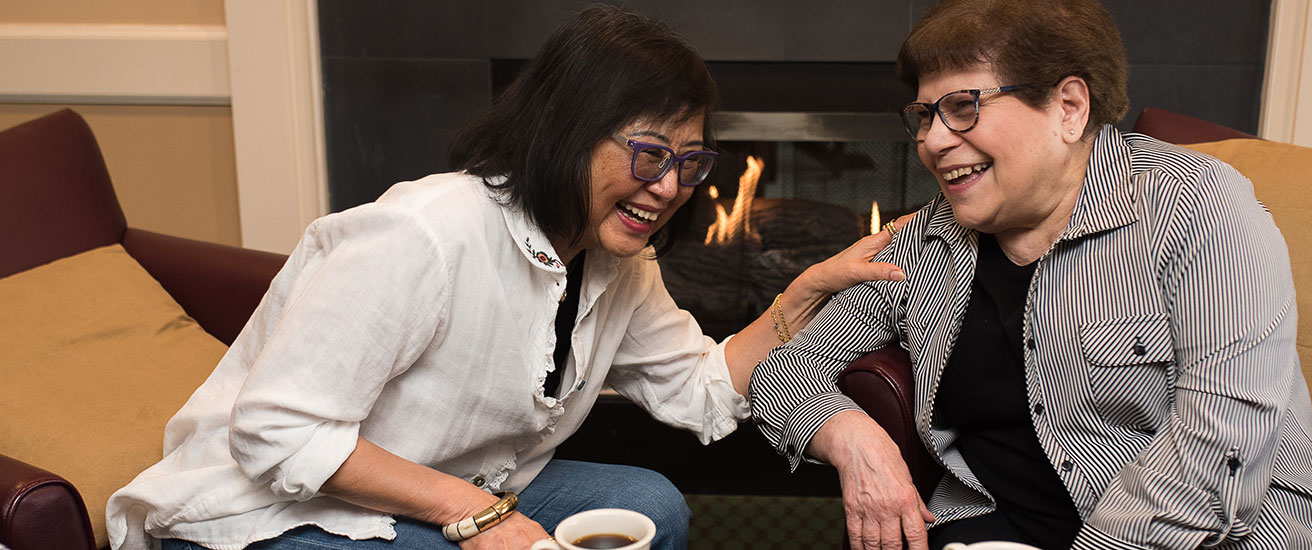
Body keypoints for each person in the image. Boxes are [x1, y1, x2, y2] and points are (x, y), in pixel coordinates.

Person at [104, 6, 908, 550]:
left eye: (688, 163)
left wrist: (804, 293)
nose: (668, 188)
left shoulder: (618, 261)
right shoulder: (423, 233)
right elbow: (275, 430)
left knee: (653, 506)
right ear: (567, 134)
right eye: (648, 155)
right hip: (280, 510)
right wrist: (476, 515)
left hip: (453, 485)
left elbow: (702, 387)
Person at [748, 0, 1312, 549]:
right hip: (994, 529)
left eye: (963, 107)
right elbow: (781, 374)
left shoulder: (1201, 211)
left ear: (1069, 107)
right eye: (924, 116)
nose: (933, 142)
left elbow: (1221, 458)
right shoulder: (926, 240)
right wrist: (852, 437)